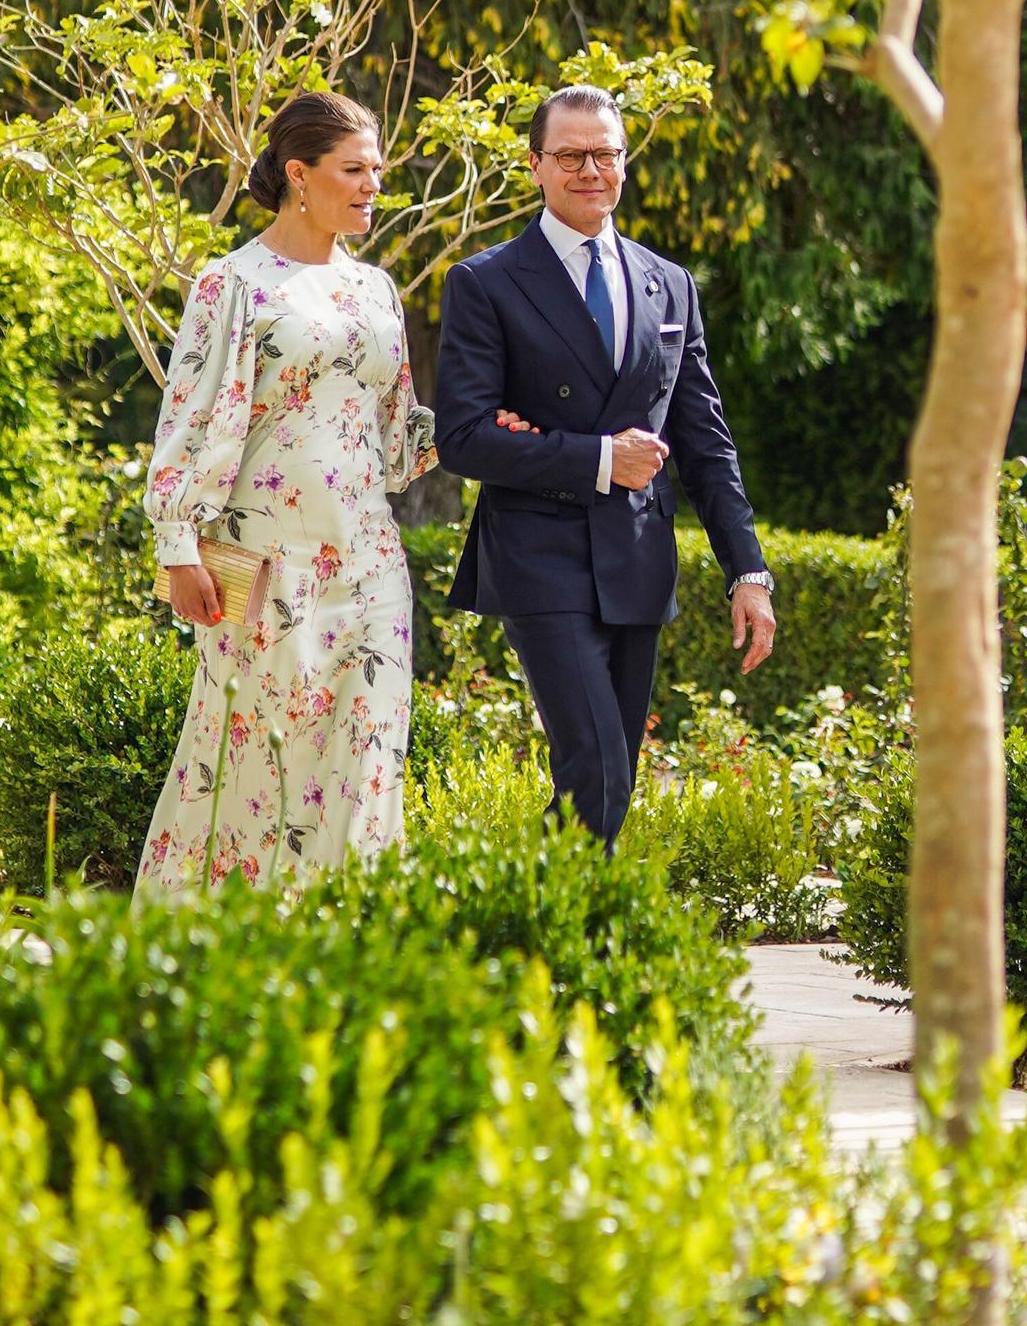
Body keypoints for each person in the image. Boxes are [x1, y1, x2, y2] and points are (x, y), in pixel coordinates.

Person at [433, 84, 775, 851]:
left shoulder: (670, 284)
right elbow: (461, 437)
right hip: (537, 556)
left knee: (605, 782)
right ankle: (557, 943)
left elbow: (704, 441)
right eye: (570, 155)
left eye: (606, 154)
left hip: (636, 559)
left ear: (624, 162)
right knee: (598, 768)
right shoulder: (485, 282)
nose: (591, 169)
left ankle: (548, 942)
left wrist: (747, 573)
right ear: (535, 166)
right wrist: (596, 459)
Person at [135, 92, 435, 893]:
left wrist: (493, 418)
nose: (372, 185)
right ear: (299, 175)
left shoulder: (378, 290)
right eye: (354, 170)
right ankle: (213, 950)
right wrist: (177, 546)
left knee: (367, 767)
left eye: (377, 170)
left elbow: (398, 433)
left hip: (370, 569)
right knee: (251, 766)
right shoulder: (232, 284)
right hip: (265, 567)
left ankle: (349, 952)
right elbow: (191, 419)